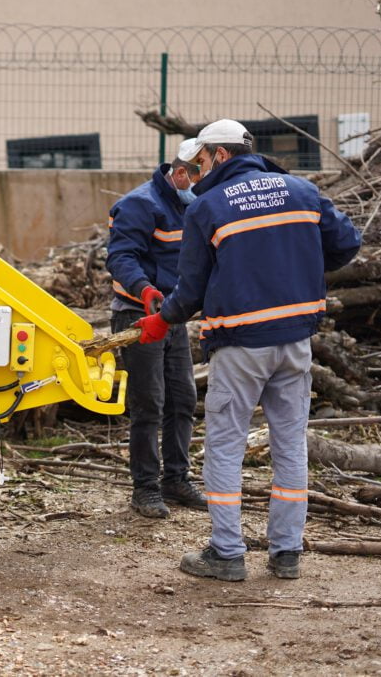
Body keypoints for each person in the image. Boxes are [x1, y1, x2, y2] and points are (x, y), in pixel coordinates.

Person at [135, 119, 362, 580]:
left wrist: (163, 319)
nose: (196, 172)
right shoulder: (301, 191)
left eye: (200, 161)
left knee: (224, 445)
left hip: (239, 345)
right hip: (295, 341)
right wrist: (301, 263)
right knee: (290, 445)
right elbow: (346, 244)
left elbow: (192, 287)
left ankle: (227, 552)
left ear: (220, 156)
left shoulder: (208, 208)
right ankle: (286, 552)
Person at [106, 139, 207, 519]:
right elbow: (121, 256)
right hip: (136, 316)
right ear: (181, 173)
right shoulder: (140, 204)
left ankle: (176, 479)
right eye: (198, 178)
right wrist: (144, 289)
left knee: (182, 400)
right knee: (148, 404)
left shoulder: (189, 205)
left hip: (170, 316)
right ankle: (145, 487)